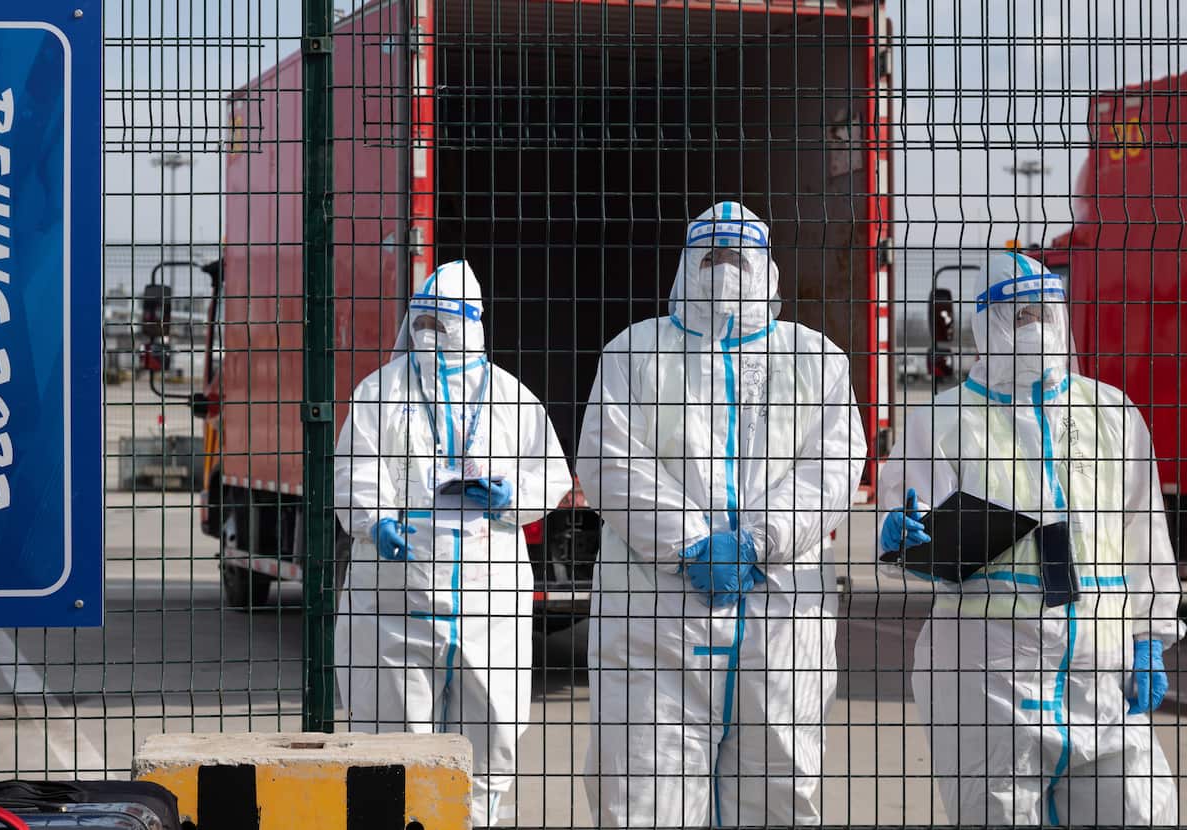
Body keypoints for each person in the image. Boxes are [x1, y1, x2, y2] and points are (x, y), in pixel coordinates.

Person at [578, 201, 867, 826]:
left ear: (767, 268)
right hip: (655, 621)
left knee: (781, 792)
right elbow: (608, 461)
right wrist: (690, 542)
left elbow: (836, 464)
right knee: (642, 793)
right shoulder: (636, 351)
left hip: (781, 621)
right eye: (710, 257)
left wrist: (759, 540)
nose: (723, 270)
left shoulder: (816, 359)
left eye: (739, 257)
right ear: (687, 266)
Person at [879, 250, 1184, 825]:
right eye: (1020, 315)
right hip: (990, 673)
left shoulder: (1110, 413)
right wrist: (900, 536)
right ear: (984, 323)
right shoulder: (940, 420)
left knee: (1142, 814)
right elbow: (908, 532)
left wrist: (1151, 636)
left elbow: (1146, 532)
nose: (1038, 326)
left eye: (1048, 310)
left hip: (1104, 672)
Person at [333, 260, 572, 827]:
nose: (432, 333)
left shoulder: (511, 397)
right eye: (424, 320)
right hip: (395, 597)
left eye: (447, 322)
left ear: (475, 323)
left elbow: (553, 475)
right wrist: (374, 521)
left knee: (491, 741)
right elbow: (354, 468)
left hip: (489, 601)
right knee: (391, 748)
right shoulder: (381, 391)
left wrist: (511, 496)